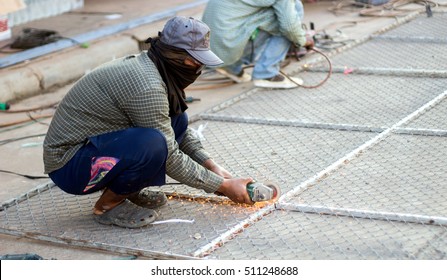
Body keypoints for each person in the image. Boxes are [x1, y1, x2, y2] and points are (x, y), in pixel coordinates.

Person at [43, 16, 254, 229]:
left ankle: (126, 189)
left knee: (177, 118)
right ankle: (107, 206)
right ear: (175, 56)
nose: (198, 68)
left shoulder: (156, 67)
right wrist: (223, 186)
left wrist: (212, 166)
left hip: (94, 149)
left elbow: (178, 134)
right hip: (69, 166)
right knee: (152, 144)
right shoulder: (148, 86)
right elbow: (170, 156)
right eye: (195, 61)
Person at [202, 0, 314, 89]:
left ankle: (231, 67)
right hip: (226, 46)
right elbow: (289, 27)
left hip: (208, 49)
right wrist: (303, 40)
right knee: (293, 11)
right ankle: (266, 73)